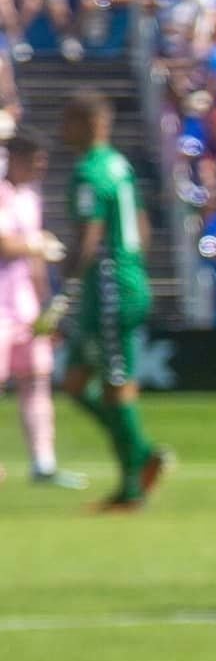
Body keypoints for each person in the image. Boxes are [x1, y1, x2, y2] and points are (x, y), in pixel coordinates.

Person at [61, 91, 171, 508]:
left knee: (116, 386)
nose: (61, 130)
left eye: (67, 121)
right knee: (74, 383)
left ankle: (133, 483)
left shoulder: (88, 171)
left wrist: (67, 280)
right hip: (121, 282)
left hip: (108, 290)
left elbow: (89, 237)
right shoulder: (119, 165)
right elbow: (141, 226)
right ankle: (141, 454)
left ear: (88, 123)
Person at [0, 129, 86, 489]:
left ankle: (43, 462)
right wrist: (36, 245)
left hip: (24, 306)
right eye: (35, 161)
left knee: (36, 379)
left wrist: (44, 305)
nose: (40, 167)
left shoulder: (30, 197)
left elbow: (35, 262)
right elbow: (4, 243)